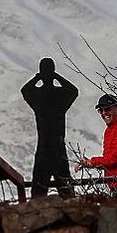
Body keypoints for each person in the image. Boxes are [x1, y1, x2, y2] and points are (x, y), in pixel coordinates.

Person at [21, 58, 78, 197]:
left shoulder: (37, 95)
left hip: (44, 146)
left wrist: (38, 77)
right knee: (66, 190)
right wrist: (56, 76)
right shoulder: (60, 95)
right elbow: (73, 90)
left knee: (39, 190)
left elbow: (25, 90)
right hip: (58, 145)